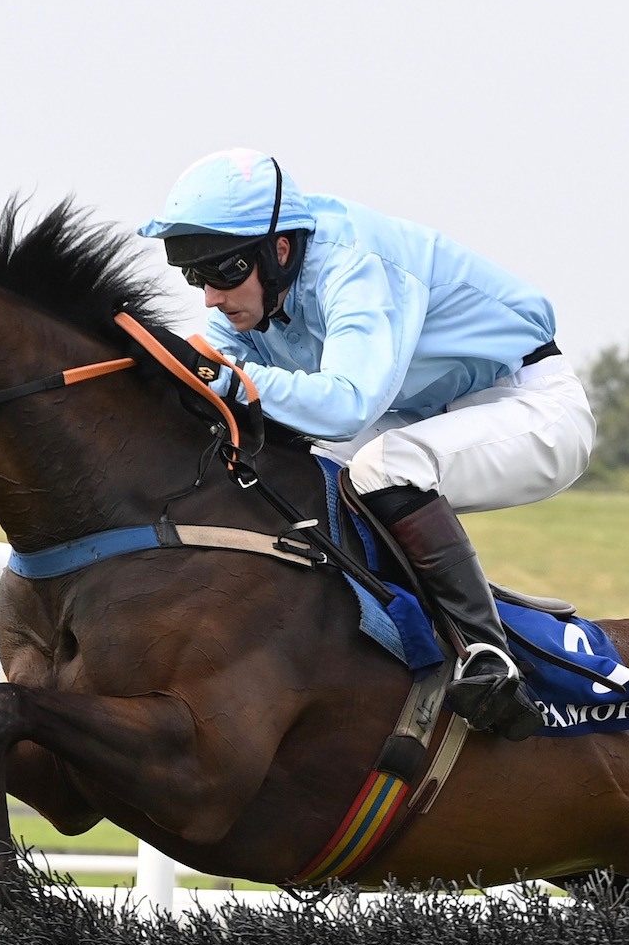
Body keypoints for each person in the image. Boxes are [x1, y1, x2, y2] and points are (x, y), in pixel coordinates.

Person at [139, 149, 594, 740]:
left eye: (224, 273)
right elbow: (215, 381)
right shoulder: (254, 295)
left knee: (386, 465)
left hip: (531, 405)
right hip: (420, 414)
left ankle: (488, 657)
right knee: (301, 472)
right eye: (194, 277)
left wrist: (230, 380)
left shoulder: (354, 264)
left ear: (280, 251)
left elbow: (346, 405)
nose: (211, 298)